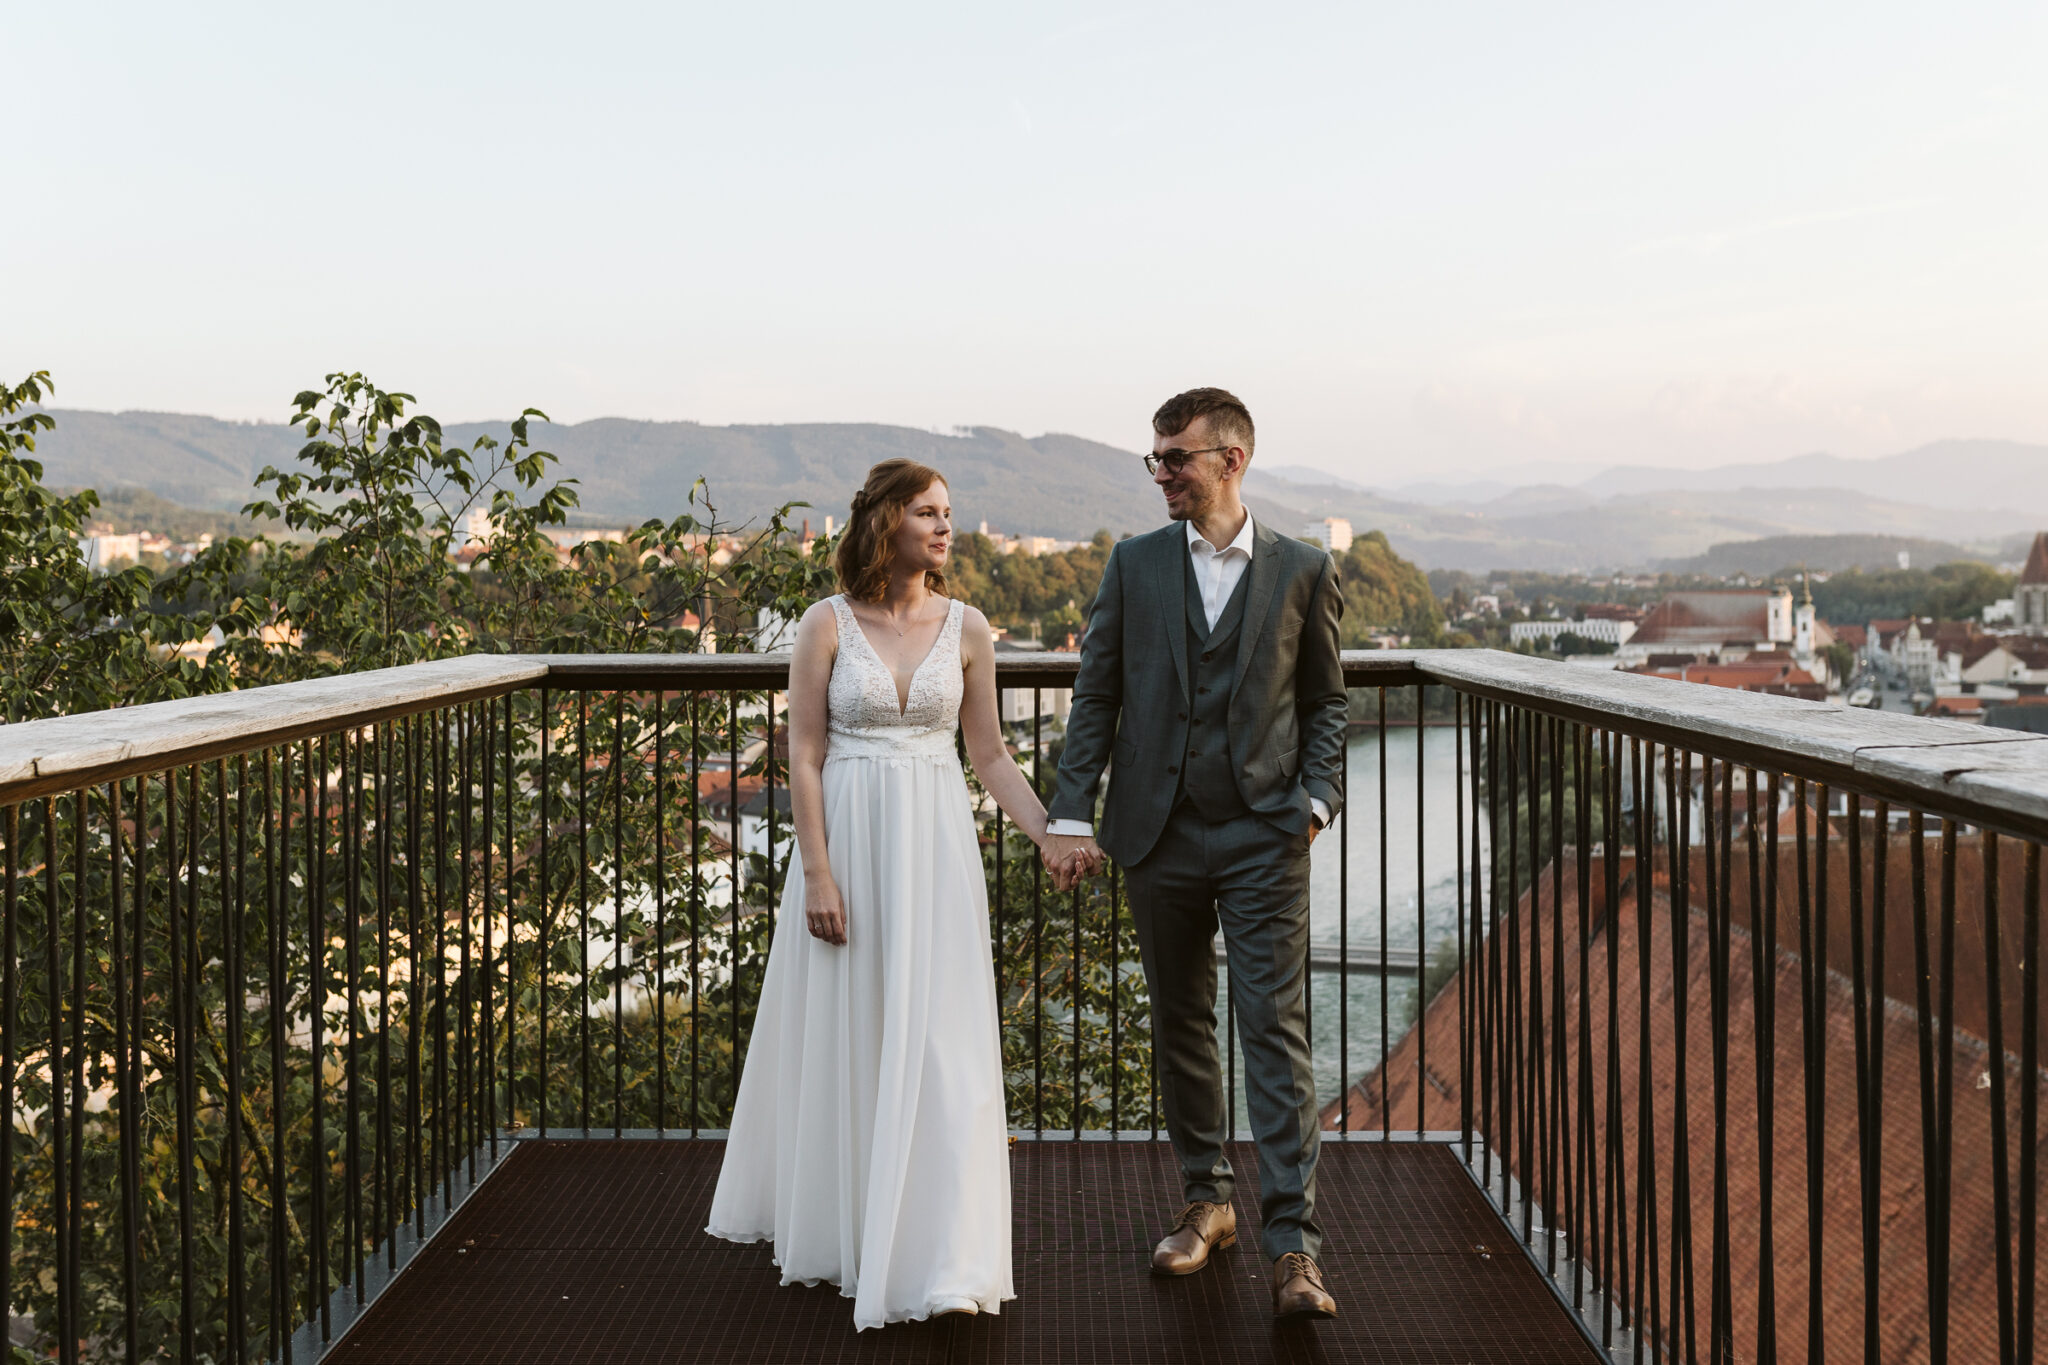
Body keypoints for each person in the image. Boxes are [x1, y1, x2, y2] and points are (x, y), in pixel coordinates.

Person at [705, 459, 1052, 1329]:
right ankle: (853, 1232)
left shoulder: (970, 628)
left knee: (943, 1042)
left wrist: (1052, 832)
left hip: (935, 850)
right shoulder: (824, 626)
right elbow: (805, 755)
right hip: (849, 849)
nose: (946, 528)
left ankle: (944, 1252)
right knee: (853, 1028)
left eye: (949, 514)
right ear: (885, 520)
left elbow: (992, 757)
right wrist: (816, 870)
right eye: (928, 513)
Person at [1040, 387, 1347, 1321]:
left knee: (1275, 1030)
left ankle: (1294, 1246)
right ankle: (1207, 1202)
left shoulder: (1302, 568)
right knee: (1181, 1019)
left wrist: (1318, 802)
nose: (1163, 472)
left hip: (1264, 833)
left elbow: (1327, 701)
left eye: (1178, 457)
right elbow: (1095, 698)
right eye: (1157, 458)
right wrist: (1067, 812)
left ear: (1232, 460)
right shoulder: (1133, 565)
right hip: (1157, 831)